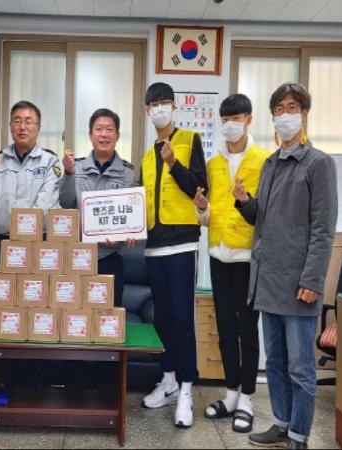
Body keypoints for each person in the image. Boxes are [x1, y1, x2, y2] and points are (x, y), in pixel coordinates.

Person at [233, 83, 337, 450]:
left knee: (300, 367)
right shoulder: (270, 163)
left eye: (292, 108)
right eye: (279, 109)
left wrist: (312, 279)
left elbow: (323, 229)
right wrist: (245, 202)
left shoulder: (318, 163)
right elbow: (262, 219)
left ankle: (299, 435)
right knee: (275, 361)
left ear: (304, 114)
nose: (285, 115)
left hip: (298, 285)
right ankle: (281, 422)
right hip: (268, 281)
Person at [193, 94, 270, 433]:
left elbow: (265, 215)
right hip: (218, 256)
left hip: (248, 259)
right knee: (225, 329)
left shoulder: (264, 161)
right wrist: (201, 208)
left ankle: (248, 398)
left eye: (236, 118)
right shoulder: (213, 164)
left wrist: (246, 201)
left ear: (249, 119)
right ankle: (231, 394)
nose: (230, 125)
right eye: (225, 119)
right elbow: (209, 217)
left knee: (247, 330)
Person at [139, 82, 208, 428]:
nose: (160, 109)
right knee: (163, 318)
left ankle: (186, 388)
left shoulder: (190, 140)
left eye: (166, 102)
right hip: (154, 246)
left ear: (174, 107)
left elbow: (200, 189)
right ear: (147, 110)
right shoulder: (145, 156)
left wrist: (174, 164)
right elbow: (140, 202)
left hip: (182, 245)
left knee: (183, 320)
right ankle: (167, 381)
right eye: (155, 104)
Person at [59, 108, 135, 304]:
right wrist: (68, 174)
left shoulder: (128, 173)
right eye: (99, 129)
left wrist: (123, 239)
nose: (104, 134)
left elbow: (131, 219)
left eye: (109, 129)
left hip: (110, 258)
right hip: (78, 257)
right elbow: (66, 204)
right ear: (90, 134)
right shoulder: (75, 167)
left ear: (117, 135)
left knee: (108, 316)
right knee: (76, 315)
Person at [0, 100, 61, 267]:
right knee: (2, 285)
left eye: (28, 121)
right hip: (1, 240)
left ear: (38, 127)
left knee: (34, 285)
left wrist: (22, 230)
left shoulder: (50, 161)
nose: (22, 127)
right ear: (10, 126)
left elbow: (46, 204)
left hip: (38, 240)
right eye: (17, 121)